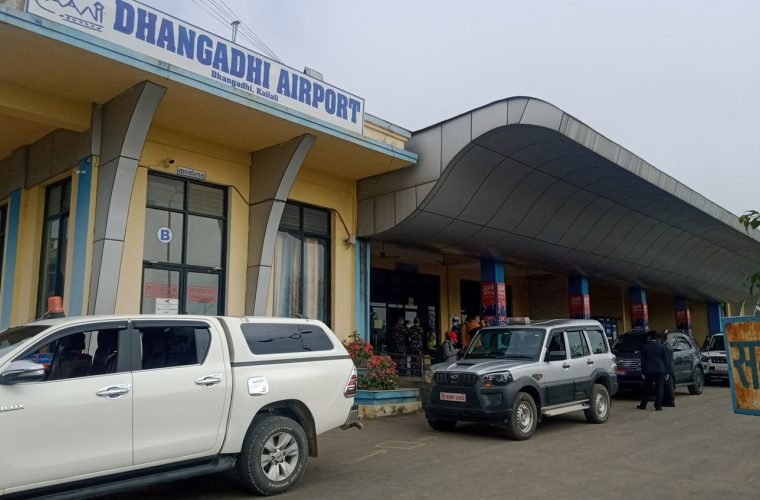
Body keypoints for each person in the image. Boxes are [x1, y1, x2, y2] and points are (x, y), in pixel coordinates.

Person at [638, 330, 669, 411]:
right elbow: (666, 360)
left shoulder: (644, 347)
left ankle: (643, 405)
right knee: (660, 388)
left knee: (647, 388)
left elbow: (643, 361)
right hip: (660, 370)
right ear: (656, 338)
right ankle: (658, 406)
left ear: (649, 337)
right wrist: (667, 372)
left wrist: (642, 371)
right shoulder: (662, 347)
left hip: (648, 370)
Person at [658, 331, 676, 407]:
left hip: (668, 369)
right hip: (668, 369)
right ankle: (667, 401)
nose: (658, 341)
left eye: (659, 339)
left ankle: (671, 402)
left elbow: (667, 360)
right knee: (667, 386)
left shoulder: (666, 347)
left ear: (662, 339)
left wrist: (667, 372)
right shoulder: (667, 346)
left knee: (669, 387)